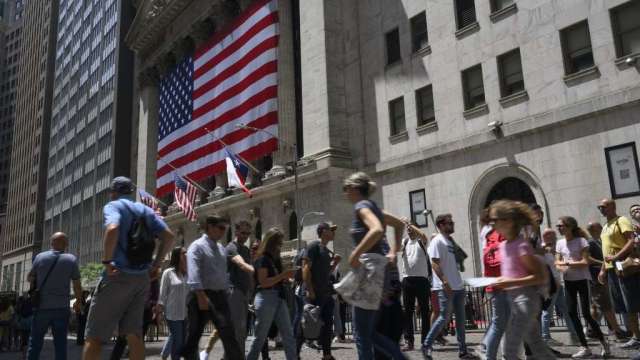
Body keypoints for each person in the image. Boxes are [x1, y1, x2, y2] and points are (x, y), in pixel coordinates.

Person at [83, 176, 175, 360]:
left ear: (113, 192)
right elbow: (169, 236)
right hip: (141, 279)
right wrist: (155, 265)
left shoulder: (113, 206)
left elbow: (112, 229)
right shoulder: (145, 210)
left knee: (95, 336)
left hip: (118, 276)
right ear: (131, 191)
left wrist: (107, 262)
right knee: (134, 334)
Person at [342, 172, 407, 360]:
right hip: (378, 274)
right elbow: (398, 225)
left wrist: (355, 253)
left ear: (354, 188)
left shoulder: (362, 207)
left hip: (369, 274)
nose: (345, 193)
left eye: (346, 188)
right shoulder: (375, 208)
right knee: (368, 332)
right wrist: (393, 251)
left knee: (362, 334)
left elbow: (377, 229)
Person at [490, 200, 555, 360]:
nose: (492, 224)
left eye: (495, 220)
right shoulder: (504, 245)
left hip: (526, 301)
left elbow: (538, 276)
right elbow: (515, 273)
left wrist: (509, 282)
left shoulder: (521, 245)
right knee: (538, 348)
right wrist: (502, 280)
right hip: (515, 302)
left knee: (510, 351)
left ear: (509, 221)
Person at [181, 215, 244, 360]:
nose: (223, 232)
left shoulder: (221, 248)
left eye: (225, 228)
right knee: (193, 336)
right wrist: (201, 296)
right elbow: (193, 273)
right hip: (201, 295)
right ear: (209, 227)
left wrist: (226, 292)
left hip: (220, 296)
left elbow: (222, 274)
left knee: (228, 334)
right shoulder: (197, 247)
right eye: (221, 228)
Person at [421, 214, 475, 360]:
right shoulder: (437, 241)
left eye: (452, 222)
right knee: (443, 318)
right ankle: (426, 346)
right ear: (441, 225)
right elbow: (435, 263)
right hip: (445, 287)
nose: (452, 225)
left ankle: (463, 351)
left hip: (458, 286)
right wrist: (445, 282)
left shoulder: (450, 241)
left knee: (461, 320)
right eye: (449, 223)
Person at [555, 216, 609, 357]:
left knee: (586, 313)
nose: (559, 228)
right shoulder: (559, 243)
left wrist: (566, 264)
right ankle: (584, 347)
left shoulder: (581, 241)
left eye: (561, 226)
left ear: (570, 226)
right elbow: (557, 262)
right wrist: (563, 267)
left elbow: (585, 262)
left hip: (582, 279)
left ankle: (604, 342)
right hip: (568, 281)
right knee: (572, 313)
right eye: (558, 226)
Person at [25, 232, 83, 360]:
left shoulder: (40, 257)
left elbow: (29, 277)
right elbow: (77, 285)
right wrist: (78, 301)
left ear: (52, 243)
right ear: (65, 244)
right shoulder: (71, 259)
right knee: (60, 345)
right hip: (61, 308)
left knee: (35, 343)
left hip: (41, 307)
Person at [246, 227, 298, 360]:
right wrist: (283, 275)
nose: (280, 246)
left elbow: (275, 279)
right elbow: (263, 282)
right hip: (266, 297)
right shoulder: (262, 259)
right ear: (271, 243)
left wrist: (286, 278)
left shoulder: (274, 259)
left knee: (288, 335)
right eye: (279, 243)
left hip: (278, 298)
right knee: (260, 338)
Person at [597, 198, 640, 349]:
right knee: (624, 304)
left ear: (612, 206)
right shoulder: (605, 226)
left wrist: (616, 257)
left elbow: (631, 240)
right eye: (599, 207)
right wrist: (603, 269)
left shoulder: (621, 220)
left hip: (623, 266)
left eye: (603, 206)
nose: (601, 209)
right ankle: (635, 335)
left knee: (631, 303)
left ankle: (636, 337)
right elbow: (606, 251)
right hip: (611, 268)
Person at [300, 222, 341, 360]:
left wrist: (334, 263)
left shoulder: (326, 250)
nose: (334, 233)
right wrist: (310, 290)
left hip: (325, 293)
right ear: (323, 231)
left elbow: (325, 273)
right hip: (314, 294)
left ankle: (327, 355)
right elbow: (305, 268)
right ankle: (294, 353)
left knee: (327, 324)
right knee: (308, 324)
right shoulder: (313, 246)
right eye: (331, 230)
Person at [586, 222, 629, 341]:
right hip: (596, 276)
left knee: (599, 304)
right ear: (598, 228)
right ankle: (615, 330)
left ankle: (594, 329)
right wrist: (604, 263)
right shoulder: (590, 242)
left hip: (602, 275)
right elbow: (587, 259)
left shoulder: (600, 241)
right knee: (603, 304)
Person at [539, 229, 578, 345]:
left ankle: (574, 335)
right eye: (551, 235)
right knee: (547, 311)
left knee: (566, 310)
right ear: (546, 236)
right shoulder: (541, 248)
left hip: (558, 283)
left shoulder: (554, 248)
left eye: (554, 235)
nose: (554, 237)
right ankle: (545, 337)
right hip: (549, 285)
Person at [478, 216, 509, 360]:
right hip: (504, 284)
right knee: (499, 324)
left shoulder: (489, 236)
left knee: (501, 323)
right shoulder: (501, 236)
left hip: (496, 284)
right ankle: (488, 353)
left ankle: (506, 354)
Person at [400, 223, 431, 351]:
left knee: (424, 311)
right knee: (407, 312)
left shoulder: (421, 242)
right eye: (407, 229)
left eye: (411, 229)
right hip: (407, 279)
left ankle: (425, 341)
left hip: (422, 280)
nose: (409, 231)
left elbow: (424, 235)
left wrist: (412, 226)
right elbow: (397, 247)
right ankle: (409, 341)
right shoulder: (405, 241)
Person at [158, 247, 189, 360]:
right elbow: (162, 294)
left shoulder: (189, 273)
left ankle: (165, 355)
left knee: (181, 339)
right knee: (178, 340)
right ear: (177, 256)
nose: (187, 254)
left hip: (186, 313)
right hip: (172, 314)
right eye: (184, 253)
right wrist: (160, 311)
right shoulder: (168, 273)